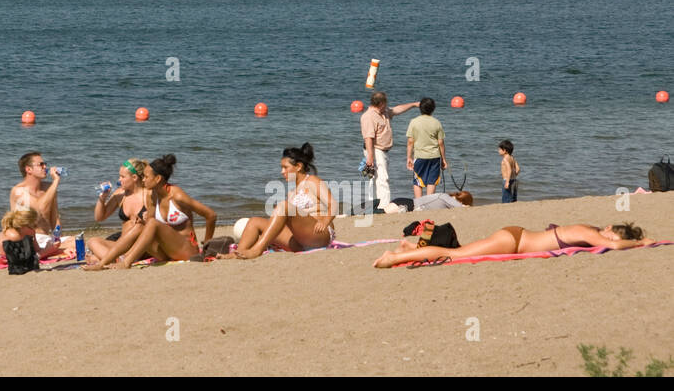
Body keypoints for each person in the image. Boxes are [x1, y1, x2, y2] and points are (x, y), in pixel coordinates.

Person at [84, 154, 216, 269]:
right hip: (166, 251)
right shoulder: (153, 196)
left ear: (158, 179)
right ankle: (103, 264)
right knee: (142, 225)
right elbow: (148, 224)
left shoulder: (177, 195)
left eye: (146, 177)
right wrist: (141, 221)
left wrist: (206, 246)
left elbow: (210, 215)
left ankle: (125, 262)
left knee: (152, 223)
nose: (143, 179)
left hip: (186, 249)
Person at [218, 144, 337, 259]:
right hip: (299, 241)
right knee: (255, 221)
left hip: (319, 235)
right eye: (282, 168)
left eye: (285, 167)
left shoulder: (312, 181)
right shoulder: (291, 192)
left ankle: (257, 250)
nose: (282, 171)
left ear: (298, 166)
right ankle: (238, 252)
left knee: (283, 206)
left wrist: (325, 221)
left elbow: (334, 204)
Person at [373, 222, 654, 268]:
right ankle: (392, 258)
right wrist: (641, 243)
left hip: (514, 239)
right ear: (608, 229)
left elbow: (612, 245)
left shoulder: (586, 231)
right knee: (453, 254)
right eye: (614, 236)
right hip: (513, 240)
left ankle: (411, 250)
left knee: (462, 251)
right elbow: (613, 246)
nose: (610, 241)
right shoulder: (587, 230)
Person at [361, 91, 421, 211]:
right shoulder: (369, 116)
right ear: (381, 103)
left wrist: (413, 104)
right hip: (375, 150)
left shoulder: (384, 112)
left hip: (382, 151)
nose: (387, 105)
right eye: (385, 103)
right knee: (382, 178)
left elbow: (397, 109)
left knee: (378, 179)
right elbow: (368, 138)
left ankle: (376, 204)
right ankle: (383, 206)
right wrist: (370, 157)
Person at [10, 152, 75, 258]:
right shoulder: (18, 191)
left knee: (77, 241)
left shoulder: (48, 188)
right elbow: (40, 207)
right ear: (28, 170)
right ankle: (53, 252)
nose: (45, 167)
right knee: (69, 246)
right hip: (29, 240)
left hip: (46, 238)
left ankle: (53, 251)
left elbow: (54, 217)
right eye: (41, 164)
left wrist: (57, 237)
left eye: (45, 164)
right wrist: (56, 181)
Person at [86, 158, 149, 262]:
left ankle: (104, 258)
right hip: (122, 244)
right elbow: (99, 217)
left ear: (134, 177)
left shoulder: (148, 194)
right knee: (92, 241)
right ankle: (115, 259)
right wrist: (102, 198)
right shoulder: (120, 195)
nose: (119, 180)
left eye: (122, 177)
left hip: (141, 246)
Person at [405, 97, 447, 198]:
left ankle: (419, 203)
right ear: (433, 109)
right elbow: (441, 143)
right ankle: (429, 203)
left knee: (418, 181)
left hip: (420, 156)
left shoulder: (414, 122)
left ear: (420, 108)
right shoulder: (436, 122)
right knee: (432, 181)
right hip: (434, 156)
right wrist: (443, 159)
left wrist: (409, 157)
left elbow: (410, 142)